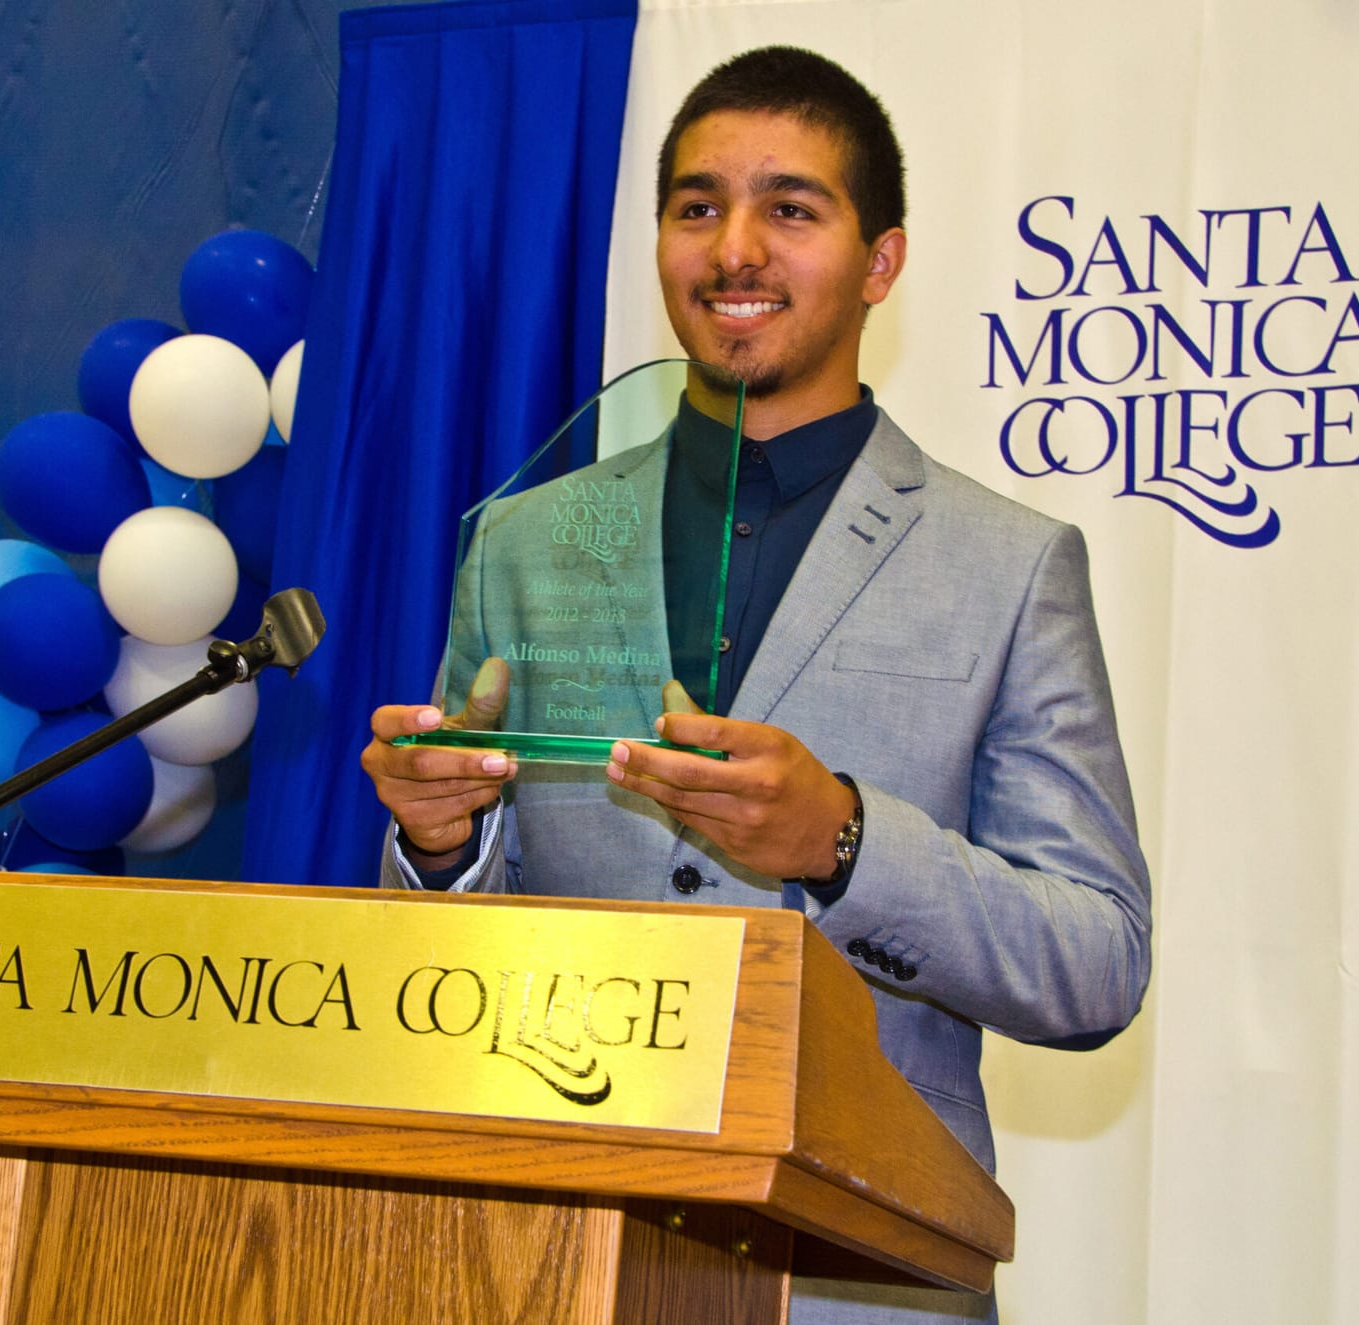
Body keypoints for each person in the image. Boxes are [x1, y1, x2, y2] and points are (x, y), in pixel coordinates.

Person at [361, 46, 1150, 1324]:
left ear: (879, 262)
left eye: (790, 208)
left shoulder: (1008, 566)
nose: (735, 249)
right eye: (695, 206)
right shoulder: (522, 539)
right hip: (554, 1255)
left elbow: (1096, 958)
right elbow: (458, 940)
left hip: (857, 1276)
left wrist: (840, 841)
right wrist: (438, 841)